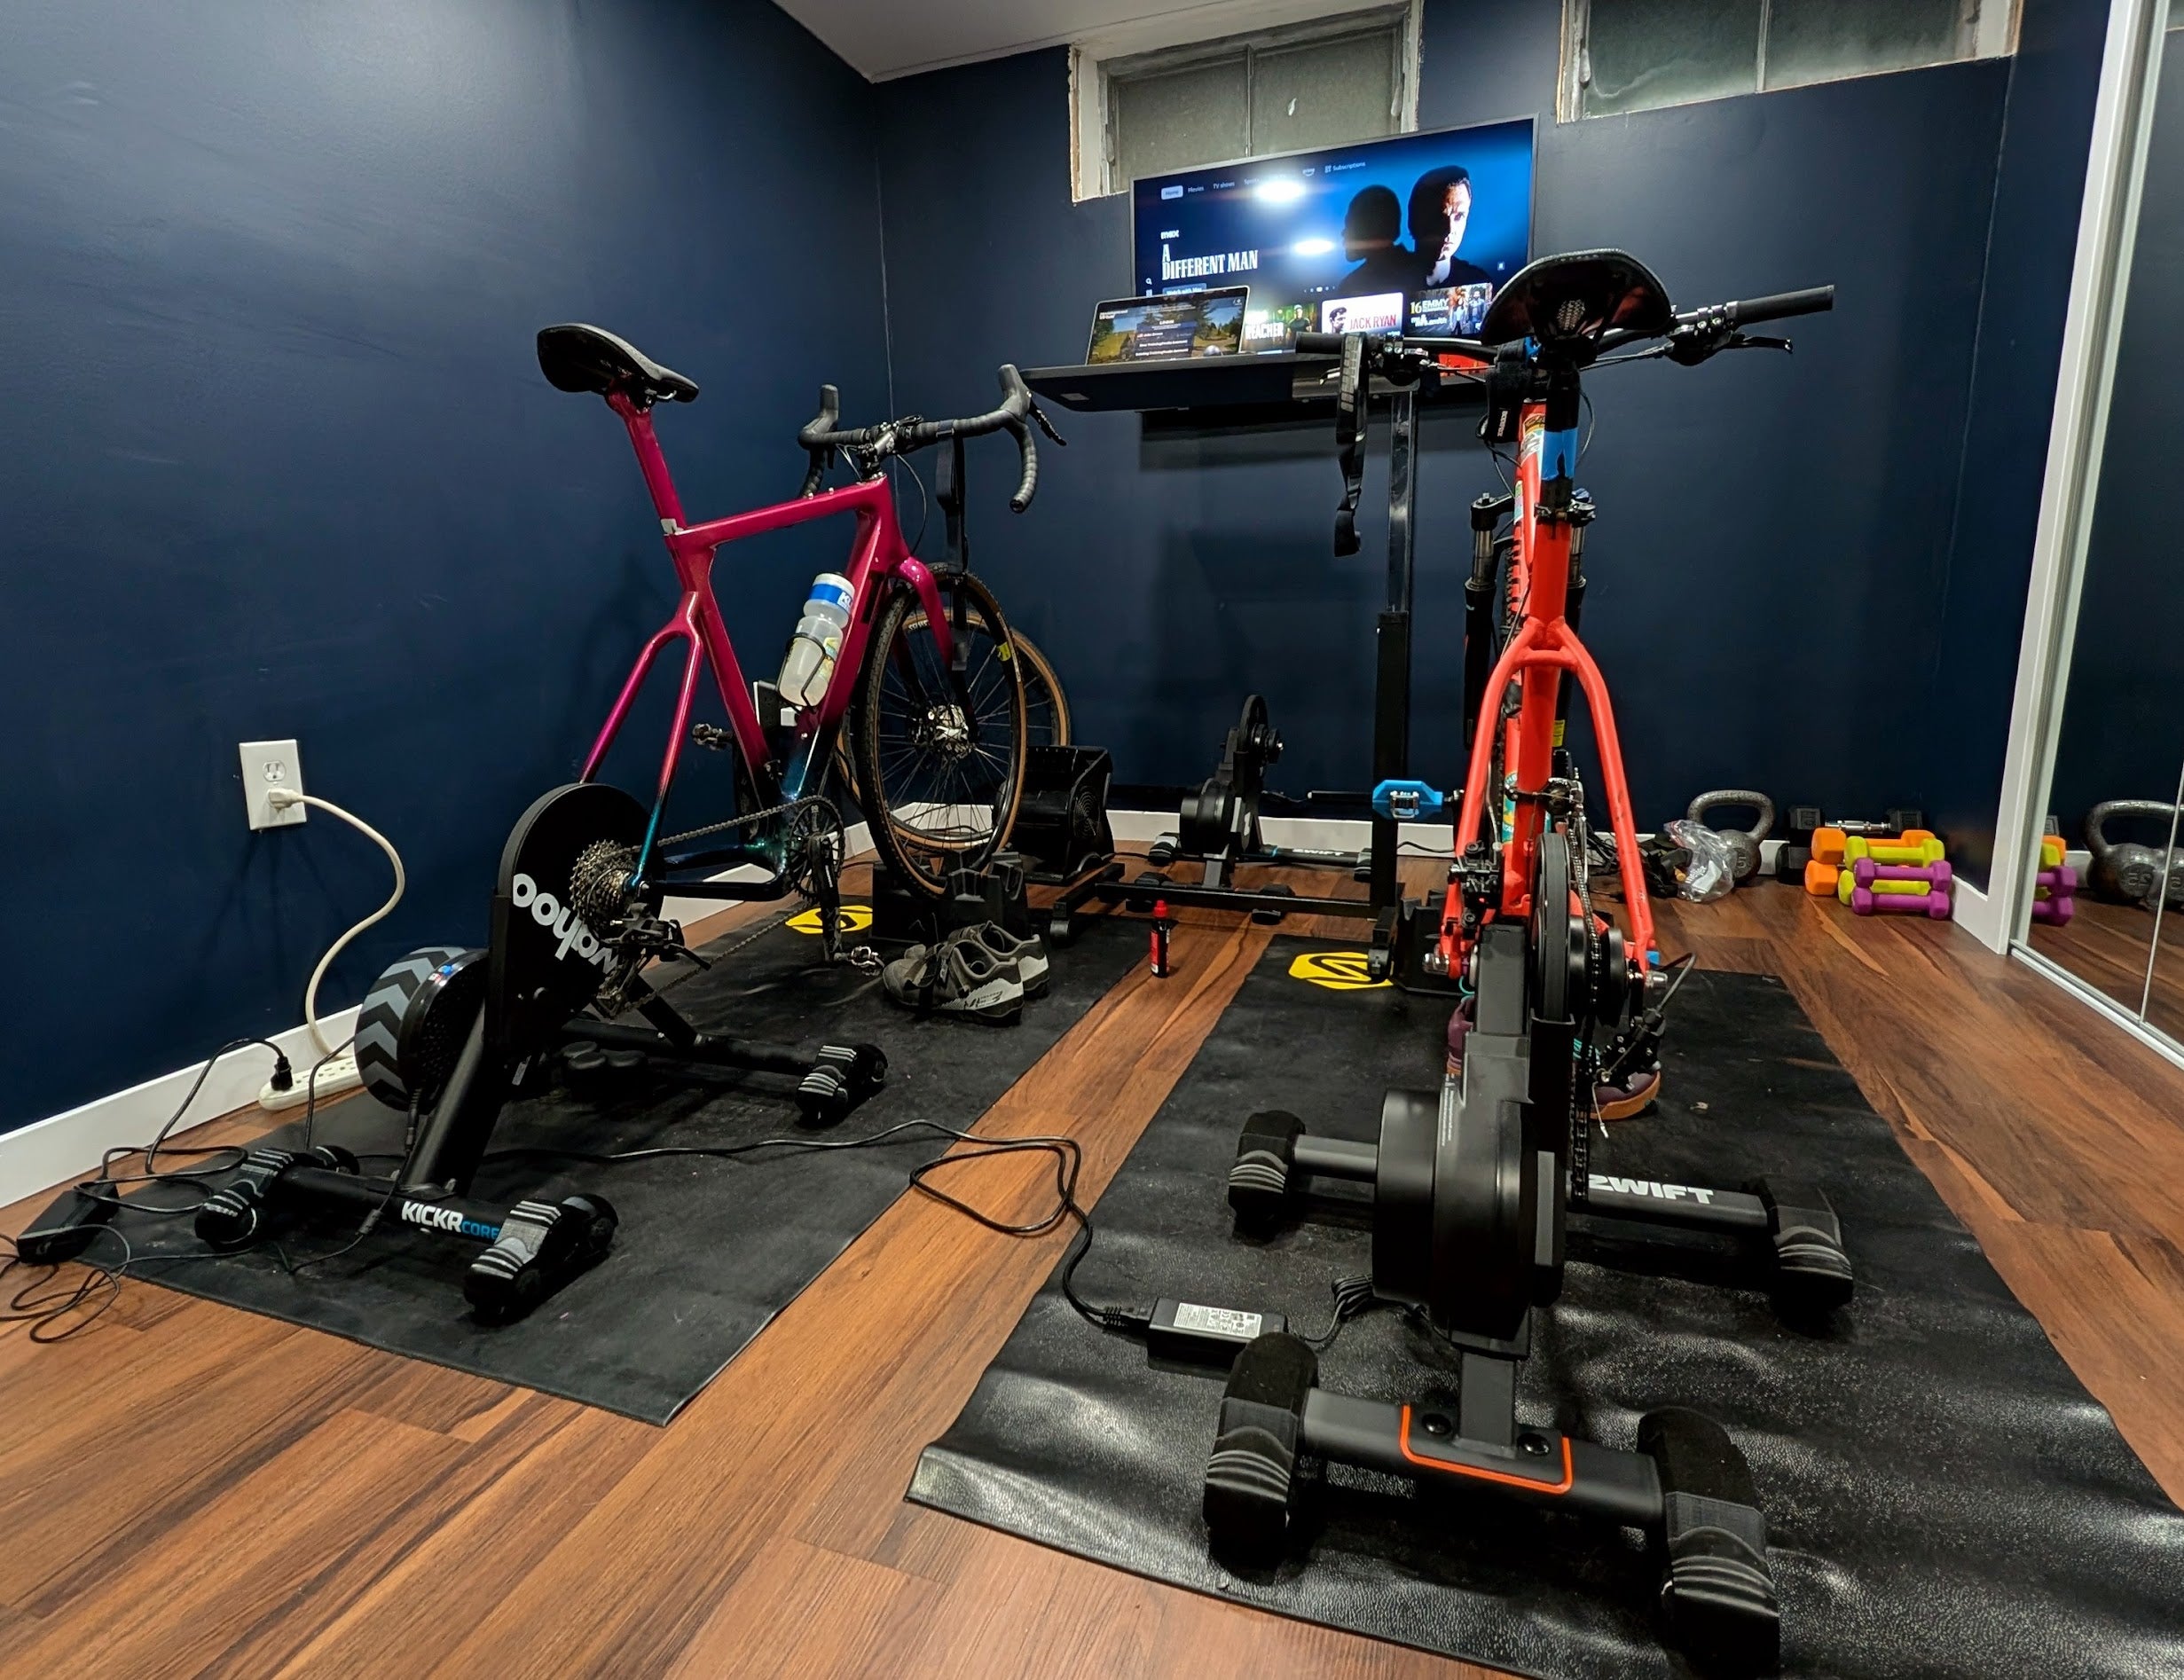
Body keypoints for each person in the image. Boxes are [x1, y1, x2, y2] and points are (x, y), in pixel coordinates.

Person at [1332, 184, 1424, 297]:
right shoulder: (1421, 268)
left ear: (1371, 227)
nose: (1344, 233)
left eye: (1350, 225)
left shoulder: (1352, 285)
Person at [1409, 166, 1490, 288]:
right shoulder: (1383, 281)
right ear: (1414, 219)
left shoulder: (1478, 282)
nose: (1449, 229)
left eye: (1459, 216)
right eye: (1439, 216)